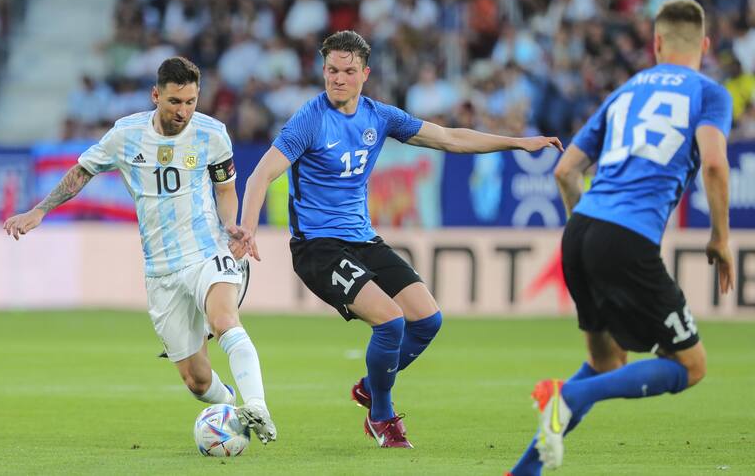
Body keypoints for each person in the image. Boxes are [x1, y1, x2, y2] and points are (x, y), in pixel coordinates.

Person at [229, 30, 562, 448]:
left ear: (365, 74)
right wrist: (249, 227)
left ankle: (371, 385)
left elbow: (450, 137)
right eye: (332, 70)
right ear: (323, 70)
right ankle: (381, 417)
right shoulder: (309, 119)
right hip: (318, 246)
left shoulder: (379, 116)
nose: (338, 79)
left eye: (348, 71)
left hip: (363, 239)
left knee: (428, 320)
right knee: (390, 321)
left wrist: (515, 142)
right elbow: (262, 173)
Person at [507, 0, 733, 475]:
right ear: (705, 46)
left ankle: (523, 471)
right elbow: (714, 163)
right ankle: (567, 395)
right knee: (691, 365)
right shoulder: (710, 93)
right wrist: (720, 237)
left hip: (581, 229)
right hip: (626, 238)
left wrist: (584, 235)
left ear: (655, 44)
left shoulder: (626, 91)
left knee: (607, 361)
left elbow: (566, 170)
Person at [3, 57, 277, 445]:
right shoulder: (126, 135)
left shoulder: (212, 134)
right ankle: (232, 408)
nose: (183, 112)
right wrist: (40, 209)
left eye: (191, 102)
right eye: (174, 102)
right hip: (161, 268)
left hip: (206, 250)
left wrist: (231, 224)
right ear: (155, 95)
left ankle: (258, 405)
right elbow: (83, 171)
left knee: (223, 318)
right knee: (197, 381)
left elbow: (225, 189)